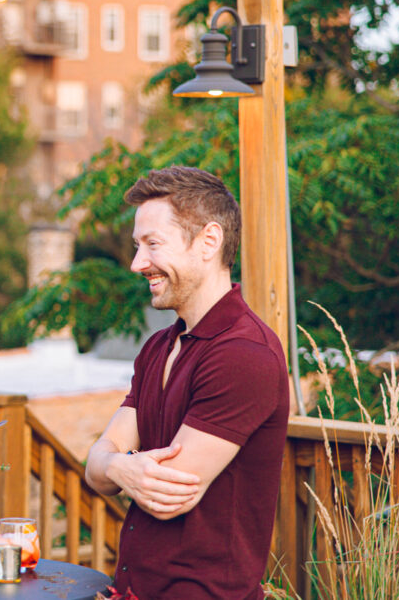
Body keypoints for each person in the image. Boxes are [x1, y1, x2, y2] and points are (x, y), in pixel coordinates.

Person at [84, 166, 289, 599]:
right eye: (137, 246)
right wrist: (120, 466)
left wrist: (118, 460)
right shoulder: (158, 346)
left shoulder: (244, 353)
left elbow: (167, 494)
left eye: (152, 244)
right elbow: (96, 468)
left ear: (208, 241)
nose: (139, 263)